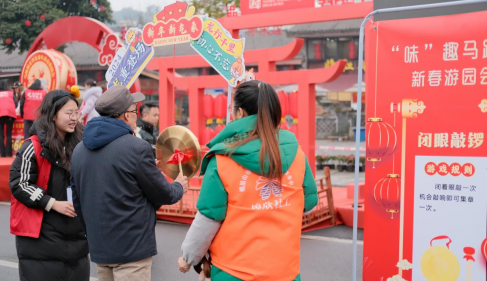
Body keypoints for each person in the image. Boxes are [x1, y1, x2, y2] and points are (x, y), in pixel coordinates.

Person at [177, 80, 319, 281]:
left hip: (234, 271)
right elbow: (309, 204)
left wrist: (188, 257)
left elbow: (209, 218)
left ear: (240, 113)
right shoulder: (296, 154)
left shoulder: (222, 159)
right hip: (285, 270)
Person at [71, 85, 189, 281]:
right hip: (132, 248)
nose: (136, 116)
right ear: (126, 115)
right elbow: (163, 194)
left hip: (100, 247)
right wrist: (178, 186)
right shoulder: (136, 148)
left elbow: (78, 199)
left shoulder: (79, 150)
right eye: (135, 111)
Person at [9, 88, 90, 281]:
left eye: (76, 113)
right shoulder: (33, 146)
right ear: (53, 115)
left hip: (75, 234)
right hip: (41, 236)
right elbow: (19, 183)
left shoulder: (82, 145)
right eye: (68, 113)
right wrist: (52, 203)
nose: (74, 118)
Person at [0, 80, 17, 157]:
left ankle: (2, 154)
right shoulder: (11, 93)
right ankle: (9, 153)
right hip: (9, 114)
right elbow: (15, 103)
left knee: (0, 134)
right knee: (8, 134)